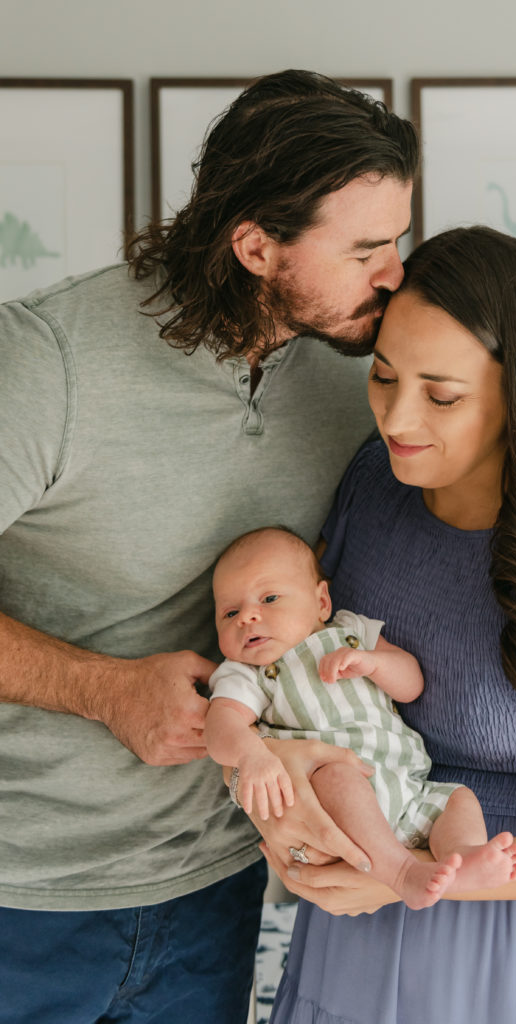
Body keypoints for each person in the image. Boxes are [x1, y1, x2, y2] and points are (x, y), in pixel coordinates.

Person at [0, 70, 417, 1024]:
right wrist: (98, 688)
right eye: (365, 248)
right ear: (256, 245)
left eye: (397, 240)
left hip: (217, 885)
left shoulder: (362, 374)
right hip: (23, 892)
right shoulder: (44, 361)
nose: (394, 271)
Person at [260, 225, 516, 1024]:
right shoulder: (369, 487)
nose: (397, 417)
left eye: (442, 394)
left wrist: (426, 872)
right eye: (383, 377)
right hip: (359, 930)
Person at [204, 526, 516, 910]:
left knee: (458, 798)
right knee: (339, 778)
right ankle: (403, 873)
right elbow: (220, 727)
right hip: (341, 800)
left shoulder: (352, 631)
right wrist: (250, 754)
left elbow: (411, 685)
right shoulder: (248, 673)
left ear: (322, 602)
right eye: (230, 612)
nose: (248, 617)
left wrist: (374, 663)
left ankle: (463, 857)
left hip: (409, 788)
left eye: (269, 598)